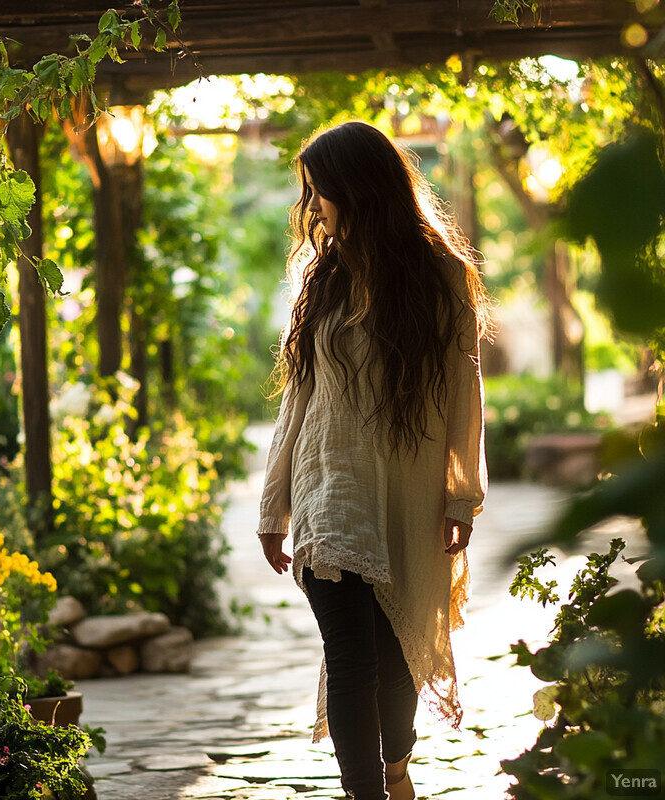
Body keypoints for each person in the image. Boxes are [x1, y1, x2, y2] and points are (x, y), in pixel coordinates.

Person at [257, 121, 490, 800]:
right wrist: (275, 505)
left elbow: (462, 393)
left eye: (321, 188)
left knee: (394, 665)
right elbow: (296, 400)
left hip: (409, 495)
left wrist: (459, 498)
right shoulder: (319, 279)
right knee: (351, 659)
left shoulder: (441, 274)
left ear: (357, 186)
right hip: (330, 490)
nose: (314, 204)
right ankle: (365, 790)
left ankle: (395, 768)